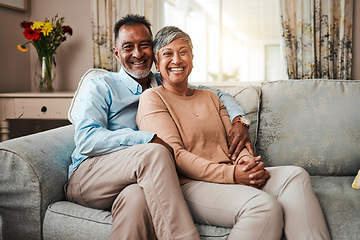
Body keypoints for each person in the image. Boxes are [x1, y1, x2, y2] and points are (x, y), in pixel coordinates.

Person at [65, 14, 253, 240]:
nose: (137, 53)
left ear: (153, 52)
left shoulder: (162, 82)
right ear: (117, 53)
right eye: (128, 47)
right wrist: (146, 139)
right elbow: (87, 139)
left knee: (136, 201)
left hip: (135, 179)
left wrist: (239, 119)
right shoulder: (101, 85)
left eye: (144, 45)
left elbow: (217, 94)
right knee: (156, 152)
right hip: (91, 175)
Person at [136, 26, 331, 240]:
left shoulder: (210, 97)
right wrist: (232, 175)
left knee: (295, 176)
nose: (177, 60)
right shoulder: (152, 98)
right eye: (168, 54)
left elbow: (236, 144)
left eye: (183, 52)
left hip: (232, 173)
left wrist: (247, 165)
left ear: (192, 57)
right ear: (157, 62)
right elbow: (175, 156)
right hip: (190, 184)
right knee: (263, 207)